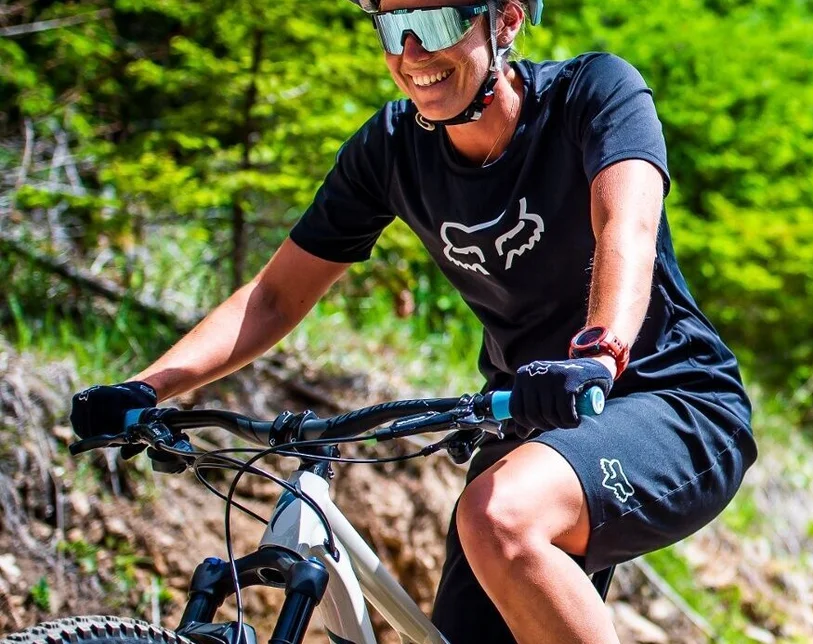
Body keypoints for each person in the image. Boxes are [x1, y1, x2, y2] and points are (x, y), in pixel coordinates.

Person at [63, 1, 755, 641]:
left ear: (505, 19)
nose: (413, 49)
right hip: (529, 415)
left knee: (499, 518)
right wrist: (145, 388)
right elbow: (273, 298)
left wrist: (599, 353)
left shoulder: (593, 93)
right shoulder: (391, 149)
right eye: (393, 28)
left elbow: (624, 227)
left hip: (669, 402)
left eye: (434, 17)